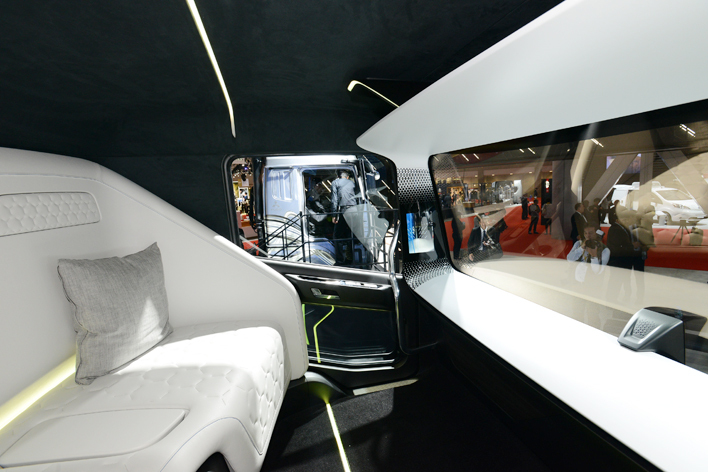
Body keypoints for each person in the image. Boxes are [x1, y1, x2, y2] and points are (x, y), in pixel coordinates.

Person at [331, 169, 358, 265]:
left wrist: (334, 215)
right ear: (347, 177)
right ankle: (350, 258)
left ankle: (340, 260)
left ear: (339, 176)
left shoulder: (335, 183)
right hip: (354, 210)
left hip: (344, 210)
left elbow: (334, 200)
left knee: (337, 236)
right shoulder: (352, 183)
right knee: (350, 235)